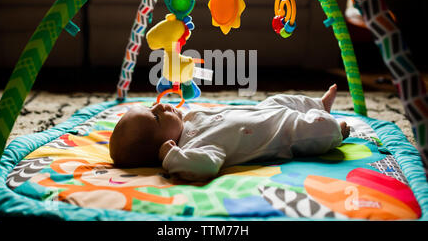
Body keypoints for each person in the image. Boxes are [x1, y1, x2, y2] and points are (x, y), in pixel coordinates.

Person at [109, 84, 350, 181]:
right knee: (310, 130)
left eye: (153, 106)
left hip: (261, 111)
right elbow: (207, 167)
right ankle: (334, 130)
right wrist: (172, 158)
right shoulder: (192, 150)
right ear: (165, 143)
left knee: (281, 99)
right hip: (278, 133)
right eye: (155, 116)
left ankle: (319, 105)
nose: (159, 106)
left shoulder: (188, 119)